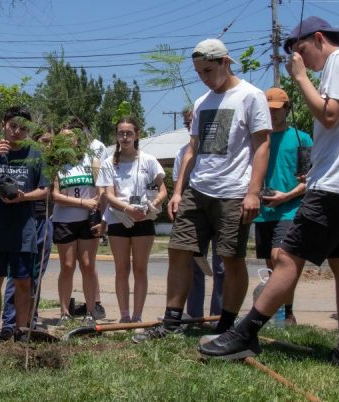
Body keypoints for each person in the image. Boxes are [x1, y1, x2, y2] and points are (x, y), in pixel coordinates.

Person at [201, 17, 339, 369]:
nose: (301, 59)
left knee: (287, 259)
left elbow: (329, 115)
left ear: (319, 38)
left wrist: (300, 78)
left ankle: (244, 333)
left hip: (335, 184)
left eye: (301, 51)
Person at [134, 38, 271, 342]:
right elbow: (193, 150)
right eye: (199, 73)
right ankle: (171, 322)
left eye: (208, 70)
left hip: (234, 191)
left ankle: (226, 326)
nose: (204, 78)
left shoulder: (251, 96)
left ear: (225, 62)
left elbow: (262, 145)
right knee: (179, 250)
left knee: (230, 258)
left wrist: (253, 192)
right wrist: (179, 190)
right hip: (198, 190)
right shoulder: (202, 102)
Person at [0, 106, 48, 342]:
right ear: (3, 125)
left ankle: (20, 331)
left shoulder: (35, 153)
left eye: (23, 128)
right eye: (12, 126)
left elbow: (45, 190)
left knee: (23, 282)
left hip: (24, 230)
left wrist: (23, 197)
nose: (16, 132)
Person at [252, 87, 313, 326]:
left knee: (281, 258)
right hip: (263, 211)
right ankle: (275, 314)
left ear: (287, 109)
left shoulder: (302, 138)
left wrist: (285, 196)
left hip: (290, 208)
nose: (272, 114)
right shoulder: (257, 139)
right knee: (270, 263)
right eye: (268, 110)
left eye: (277, 109)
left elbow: (309, 180)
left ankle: (287, 313)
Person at [98, 117, 167, 323]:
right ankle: (124, 315)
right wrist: (128, 208)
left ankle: (137, 316)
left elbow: (162, 190)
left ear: (137, 135)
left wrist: (150, 206)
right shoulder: (109, 163)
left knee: (140, 268)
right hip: (119, 219)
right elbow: (108, 195)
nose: (125, 137)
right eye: (121, 133)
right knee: (121, 269)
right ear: (116, 135)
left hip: (143, 220)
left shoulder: (149, 160)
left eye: (129, 133)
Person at [0, 129, 54, 338]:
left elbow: (51, 191)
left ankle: (30, 319)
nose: (46, 146)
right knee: (18, 274)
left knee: (35, 276)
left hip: (44, 222)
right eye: (43, 141)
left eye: (50, 143)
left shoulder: (49, 165)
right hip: (26, 221)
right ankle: (9, 322)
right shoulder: (27, 160)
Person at [173, 109, 224, 320]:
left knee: (222, 267)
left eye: (192, 121)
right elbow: (180, 182)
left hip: (219, 208)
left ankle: (218, 316)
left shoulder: (219, 149)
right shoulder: (183, 153)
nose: (189, 125)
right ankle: (194, 316)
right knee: (195, 265)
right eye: (186, 123)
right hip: (195, 213)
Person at [53, 124, 104, 326]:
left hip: (87, 221)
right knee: (67, 266)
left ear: (78, 140)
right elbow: (56, 196)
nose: (67, 142)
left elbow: (101, 190)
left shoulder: (92, 161)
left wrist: (98, 209)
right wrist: (82, 202)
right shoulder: (56, 164)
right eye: (62, 139)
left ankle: (91, 312)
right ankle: (64, 313)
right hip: (64, 221)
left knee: (88, 265)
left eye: (70, 138)